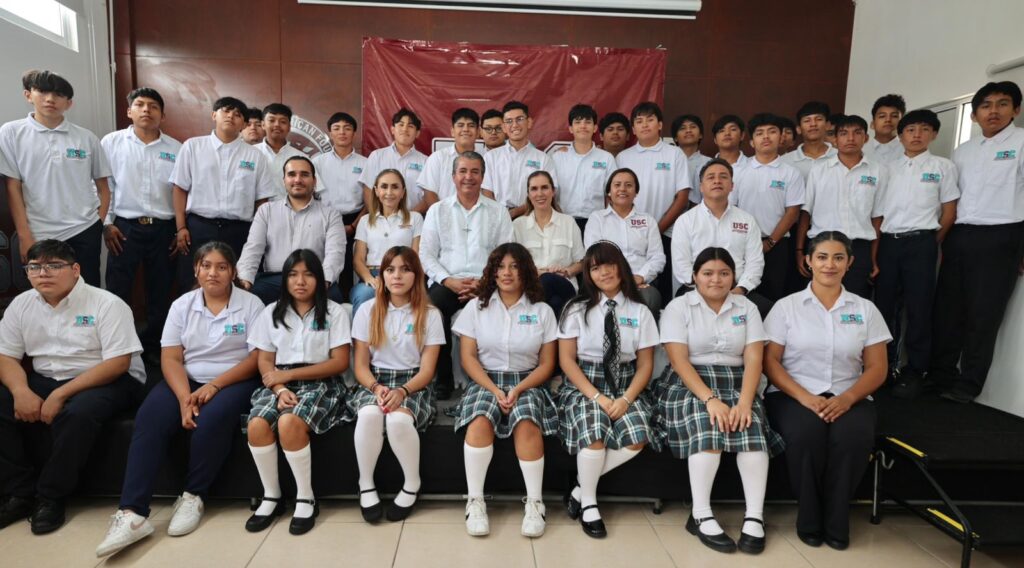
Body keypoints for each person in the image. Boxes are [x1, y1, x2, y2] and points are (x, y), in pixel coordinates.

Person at [95, 242, 264, 556]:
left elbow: (256, 359)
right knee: (150, 418)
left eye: (221, 267)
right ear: (196, 269)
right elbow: (171, 358)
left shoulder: (251, 304)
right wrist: (186, 397)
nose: (213, 273)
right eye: (206, 266)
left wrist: (214, 387)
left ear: (233, 272)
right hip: (186, 379)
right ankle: (132, 513)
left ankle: (192, 496)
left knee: (211, 419)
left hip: (234, 380)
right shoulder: (182, 305)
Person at [0, 240, 145, 534]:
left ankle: (50, 496)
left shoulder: (106, 303)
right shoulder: (22, 304)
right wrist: (21, 392)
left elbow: (118, 363)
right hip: (47, 376)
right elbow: (6, 356)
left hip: (107, 377)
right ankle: (19, 492)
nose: (43, 273)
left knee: (78, 413)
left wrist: (60, 394)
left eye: (54, 266)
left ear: (75, 269)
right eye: (34, 267)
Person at [763, 231, 891, 550]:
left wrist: (848, 398)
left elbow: (877, 367)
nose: (829, 265)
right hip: (794, 394)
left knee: (853, 438)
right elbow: (770, 362)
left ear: (849, 263)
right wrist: (805, 398)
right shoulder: (787, 307)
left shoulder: (865, 309)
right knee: (805, 435)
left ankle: (836, 520)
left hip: (850, 394)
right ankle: (809, 519)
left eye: (838, 258)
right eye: (822, 257)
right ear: (808, 261)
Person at [655, 247, 783, 555]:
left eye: (724, 273)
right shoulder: (679, 307)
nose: (716, 280)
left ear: (733, 277)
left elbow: (754, 359)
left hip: (738, 380)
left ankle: (754, 516)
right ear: (694, 276)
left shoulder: (747, 307)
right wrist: (710, 399)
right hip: (689, 381)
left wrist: (745, 402)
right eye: (708, 273)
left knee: (751, 430)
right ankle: (701, 514)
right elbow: (678, 360)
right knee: (707, 426)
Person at [454, 243, 558, 538]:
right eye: (500, 267)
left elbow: (547, 364)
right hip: (485, 379)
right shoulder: (476, 307)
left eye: (514, 266)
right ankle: (475, 501)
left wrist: (519, 388)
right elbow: (468, 358)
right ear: (492, 272)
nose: (507, 273)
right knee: (479, 419)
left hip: (529, 380)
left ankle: (535, 503)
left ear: (526, 271)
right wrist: (494, 389)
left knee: (526, 422)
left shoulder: (542, 311)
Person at [244, 250, 351, 535]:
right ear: (284, 279)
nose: (300, 281)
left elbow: (340, 362)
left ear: (319, 278)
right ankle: (272, 496)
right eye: (293, 275)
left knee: (289, 422)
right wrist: (279, 388)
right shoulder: (271, 312)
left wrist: (288, 376)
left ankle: (306, 497)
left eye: (308, 274)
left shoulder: (334, 312)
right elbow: (265, 361)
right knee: (256, 425)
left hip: (321, 382)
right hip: (278, 383)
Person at [930, 81, 1024, 403]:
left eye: (1002, 104)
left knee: (984, 314)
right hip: (960, 235)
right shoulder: (963, 151)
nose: (993, 111)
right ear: (974, 115)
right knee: (948, 310)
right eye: (986, 105)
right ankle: (940, 375)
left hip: (1002, 236)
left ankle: (968, 385)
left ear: (1016, 110)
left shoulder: (1022, 143)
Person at [558, 241, 659, 539]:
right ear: (588, 275)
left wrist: (626, 399)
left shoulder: (640, 312)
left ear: (621, 268)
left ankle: (580, 487)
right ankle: (590, 503)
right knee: (594, 435)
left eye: (609, 265)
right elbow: (567, 360)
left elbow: (645, 365)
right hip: (584, 384)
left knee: (638, 436)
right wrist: (597, 396)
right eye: (595, 268)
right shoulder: (576, 309)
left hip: (627, 384)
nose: (604, 272)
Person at [349, 246, 443, 523]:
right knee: (369, 415)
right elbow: (360, 367)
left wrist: (403, 391)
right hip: (375, 380)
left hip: (414, 383)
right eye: (390, 270)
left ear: (416, 275)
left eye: (405, 269)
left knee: (398, 421)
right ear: (382, 275)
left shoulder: (430, 314)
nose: (397, 276)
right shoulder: (367, 310)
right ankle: (366, 484)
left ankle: (412, 483)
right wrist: (376, 388)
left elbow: (427, 370)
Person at [873, 109, 959, 399]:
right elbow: (878, 212)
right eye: (910, 130)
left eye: (924, 129)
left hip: (922, 242)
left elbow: (949, 212)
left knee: (919, 307)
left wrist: (931, 242)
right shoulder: (887, 168)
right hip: (888, 242)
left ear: (934, 134)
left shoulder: (943, 166)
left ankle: (916, 370)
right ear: (900, 136)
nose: (917, 135)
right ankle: (883, 366)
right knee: (884, 306)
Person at [1, 70, 112, 285]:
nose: (50, 99)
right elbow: (13, 187)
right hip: (39, 231)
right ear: (28, 95)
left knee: (87, 289)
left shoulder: (86, 138)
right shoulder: (11, 133)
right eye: (42, 91)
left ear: (69, 103)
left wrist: (97, 222)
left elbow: (104, 188)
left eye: (59, 94)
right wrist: (24, 235)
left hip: (84, 228)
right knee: (45, 291)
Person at [420, 151, 514, 399]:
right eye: (462, 171)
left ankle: (491, 380)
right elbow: (426, 255)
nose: (468, 177)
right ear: (453, 176)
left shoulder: (498, 211)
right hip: (448, 281)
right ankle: (443, 380)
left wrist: (484, 283)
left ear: (483, 177)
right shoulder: (437, 210)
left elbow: (506, 254)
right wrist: (448, 280)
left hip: (488, 283)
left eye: (475, 172)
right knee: (432, 310)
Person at [101, 87, 182, 360]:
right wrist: (106, 223)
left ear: (162, 115)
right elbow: (103, 186)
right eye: (140, 104)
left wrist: (180, 227)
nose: (147, 110)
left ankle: (154, 347)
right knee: (118, 289)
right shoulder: (111, 143)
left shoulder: (176, 148)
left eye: (153, 106)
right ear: (129, 111)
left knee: (161, 290)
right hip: (123, 227)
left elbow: (182, 191)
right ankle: (119, 348)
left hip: (164, 229)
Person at [170, 96, 276, 292]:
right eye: (226, 111)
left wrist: (258, 235)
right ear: (214, 115)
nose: (231, 116)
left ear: (243, 123)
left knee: (237, 283)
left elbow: (262, 200)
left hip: (239, 230)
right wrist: (181, 227)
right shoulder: (193, 146)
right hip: (198, 227)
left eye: (237, 114)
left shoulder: (255, 156)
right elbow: (179, 188)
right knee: (192, 282)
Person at [796, 114, 885, 298]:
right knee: (819, 299)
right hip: (822, 244)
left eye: (857, 133)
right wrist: (799, 250)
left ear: (866, 138)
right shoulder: (819, 170)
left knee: (855, 300)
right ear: (835, 139)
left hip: (859, 248)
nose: (850, 138)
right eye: (844, 133)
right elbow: (806, 213)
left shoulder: (878, 171)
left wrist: (873, 257)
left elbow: (877, 217)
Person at [236, 156, 346, 304]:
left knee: (332, 299)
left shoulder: (331, 214)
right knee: (248, 299)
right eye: (292, 174)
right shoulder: (266, 211)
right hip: (275, 280)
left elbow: (335, 254)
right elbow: (253, 249)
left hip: (314, 278)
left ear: (314, 181)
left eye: (304, 175)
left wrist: (324, 281)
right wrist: (245, 280)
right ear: (284, 180)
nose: (298, 180)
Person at [671, 159, 769, 316]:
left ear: (732, 186)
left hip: (737, 290)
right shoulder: (685, 221)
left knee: (767, 310)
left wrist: (740, 289)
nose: (717, 181)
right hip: (696, 289)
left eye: (723, 177)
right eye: (711, 177)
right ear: (701, 187)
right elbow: (681, 265)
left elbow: (755, 263)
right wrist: (708, 289)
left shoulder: (747, 220)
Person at [616, 101, 691, 303]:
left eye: (650, 120)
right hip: (631, 233)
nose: (645, 125)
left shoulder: (674, 154)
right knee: (631, 286)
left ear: (660, 125)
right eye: (639, 121)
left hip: (666, 231)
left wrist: (657, 229)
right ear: (633, 129)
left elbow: (682, 196)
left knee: (663, 289)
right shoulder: (623, 157)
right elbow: (615, 195)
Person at [729, 113, 806, 302]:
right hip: (741, 243)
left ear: (781, 138)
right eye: (759, 133)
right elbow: (731, 208)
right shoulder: (738, 171)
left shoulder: (791, 173)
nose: (766, 137)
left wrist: (770, 242)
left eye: (772, 132)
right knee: (741, 295)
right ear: (751, 142)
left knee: (773, 297)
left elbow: (792, 212)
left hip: (777, 245)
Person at [584, 168, 665, 316]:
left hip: (639, 282)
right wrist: (619, 281)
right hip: (606, 280)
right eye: (617, 185)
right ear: (609, 191)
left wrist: (641, 277)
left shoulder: (647, 220)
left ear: (636, 192)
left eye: (628, 185)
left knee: (651, 298)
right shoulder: (597, 219)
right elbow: (594, 256)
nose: (622, 189)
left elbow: (657, 257)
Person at [350, 169, 423, 318]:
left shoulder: (415, 218)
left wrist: (400, 276)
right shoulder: (365, 221)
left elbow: (416, 257)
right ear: (376, 191)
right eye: (384, 187)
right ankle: (363, 335)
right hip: (373, 275)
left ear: (403, 192)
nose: (389, 192)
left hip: (403, 274)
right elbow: (358, 260)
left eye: (395, 187)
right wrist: (370, 279)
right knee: (364, 295)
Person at [513, 171, 585, 317]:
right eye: (534, 189)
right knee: (555, 302)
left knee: (550, 285)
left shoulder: (568, 222)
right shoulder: (518, 225)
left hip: (565, 286)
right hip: (531, 287)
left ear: (553, 191)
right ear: (528, 194)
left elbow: (582, 262)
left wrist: (566, 271)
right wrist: (539, 273)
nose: (540, 193)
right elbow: (514, 264)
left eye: (544, 187)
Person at [313, 111, 368, 302]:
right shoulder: (318, 162)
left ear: (354, 133)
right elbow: (313, 196)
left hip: (356, 219)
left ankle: (350, 302)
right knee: (327, 261)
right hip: (325, 219)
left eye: (347, 128)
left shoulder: (365, 163)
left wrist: (353, 225)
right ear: (330, 133)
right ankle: (328, 301)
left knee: (352, 265)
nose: (342, 132)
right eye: (336, 128)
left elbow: (370, 201)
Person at [482, 101, 556, 219]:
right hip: (498, 217)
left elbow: (548, 193)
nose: (515, 125)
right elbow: (487, 193)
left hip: (531, 217)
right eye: (509, 121)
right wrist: (500, 214)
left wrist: (517, 212)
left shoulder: (543, 159)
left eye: (519, 119)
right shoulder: (490, 157)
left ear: (529, 122)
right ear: (504, 127)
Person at [552, 104, 617, 233]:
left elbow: (613, 194)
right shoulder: (558, 157)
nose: (583, 126)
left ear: (595, 128)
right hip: (564, 221)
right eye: (578, 122)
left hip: (596, 223)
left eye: (587, 122)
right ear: (570, 128)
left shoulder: (606, 158)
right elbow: (551, 193)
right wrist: (561, 217)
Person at [359, 108, 428, 214]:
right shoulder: (376, 156)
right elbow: (368, 190)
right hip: (380, 218)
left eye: (410, 126)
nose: (405, 129)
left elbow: (428, 196)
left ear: (417, 133)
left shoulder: (426, 161)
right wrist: (378, 216)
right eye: (401, 124)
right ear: (392, 129)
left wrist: (409, 218)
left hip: (413, 219)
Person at [420, 108, 480, 208]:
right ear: (452, 131)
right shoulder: (438, 157)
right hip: (443, 215)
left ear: (478, 132)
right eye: (460, 125)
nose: (465, 129)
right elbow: (429, 193)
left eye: (471, 125)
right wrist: (443, 215)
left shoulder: (485, 159)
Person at [255, 103, 305, 199]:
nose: (277, 125)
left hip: (291, 208)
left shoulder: (301, 157)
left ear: (289, 127)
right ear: (263, 124)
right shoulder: (250, 153)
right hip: (257, 207)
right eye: (272, 120)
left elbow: (311, 189)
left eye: (283, 122)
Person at [782, 101, 838, 180]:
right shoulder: (785, 161)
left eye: (818, 119)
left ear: (827, 125)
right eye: (807, 121)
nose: (813, 124)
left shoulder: (840, 157)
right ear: (798, 129)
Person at [671, 114, 712, 205]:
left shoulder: (710, 163)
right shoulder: (668, 162)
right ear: (675, 138)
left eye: (693, 127)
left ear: (700, 135)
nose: (688, 131)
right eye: (682, 128)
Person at [863, 94, 906, 165]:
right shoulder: (860, 149)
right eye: (882, 116)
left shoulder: (910, 150)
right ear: (872, 124)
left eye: (894, 116)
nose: (888, 120)